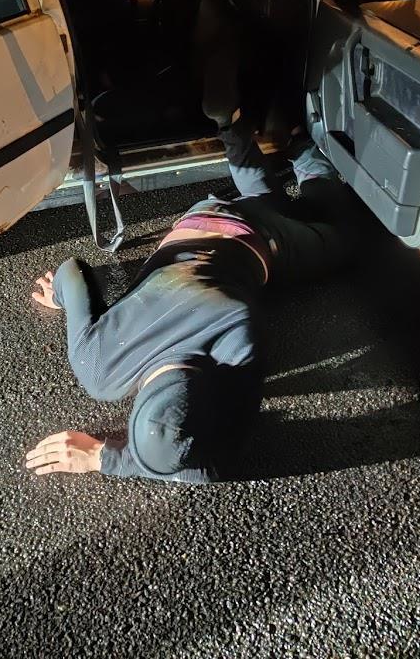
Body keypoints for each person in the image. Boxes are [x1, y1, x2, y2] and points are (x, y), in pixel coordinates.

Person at [25, 113, 361, 483]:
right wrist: (60, 295)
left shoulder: (238, 345)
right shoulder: (98, 367)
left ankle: (303, 146)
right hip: (197, 221)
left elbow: (217, 466)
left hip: (255, 238)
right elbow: (72, 271)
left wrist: (108, 460)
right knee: (267, 203)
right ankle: (232, 125)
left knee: (342, 233)